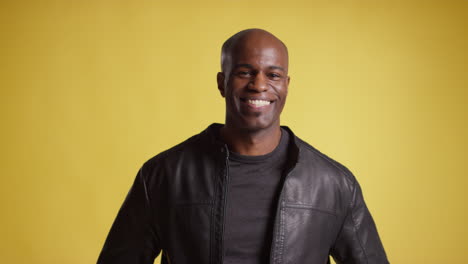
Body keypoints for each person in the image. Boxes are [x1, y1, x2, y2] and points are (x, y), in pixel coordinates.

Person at [97, 28, 389, 264]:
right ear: (222, 83)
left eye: (273, 75)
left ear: (286, 85)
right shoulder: (162, 175)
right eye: (245, 72)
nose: (259, 85)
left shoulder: (334, 184)